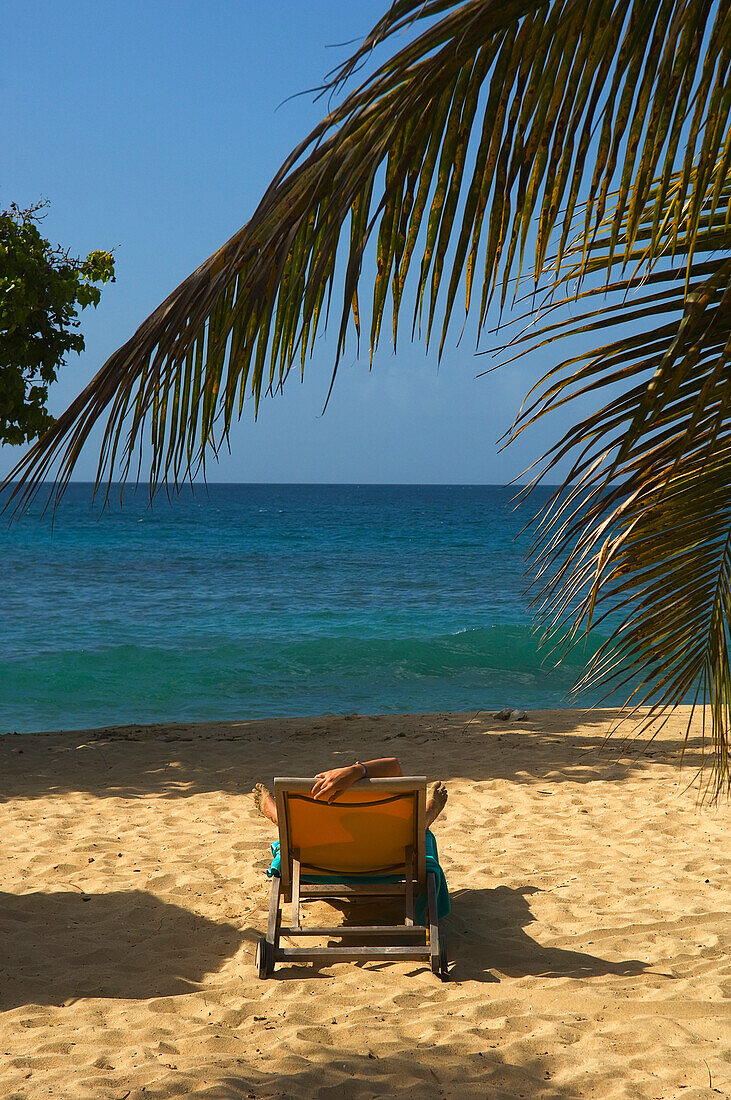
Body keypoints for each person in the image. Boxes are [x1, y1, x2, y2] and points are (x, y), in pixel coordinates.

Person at [252, 756, 448, 827]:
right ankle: (428, 813)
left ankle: (273, 812)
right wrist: (357, 770)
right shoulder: (386, 828)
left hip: (319, 865)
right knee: (413, 830)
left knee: (293, 829)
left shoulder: (321, 834)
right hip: (388, 863)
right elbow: (393, 765)